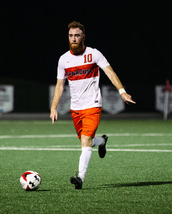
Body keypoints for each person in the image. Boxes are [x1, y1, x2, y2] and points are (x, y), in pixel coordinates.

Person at [50, 21, 136, 189]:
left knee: (86, 140)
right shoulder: (63, 60)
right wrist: (53, 107)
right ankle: (102, 142)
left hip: (92, 104)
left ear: (83, 37)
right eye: (70, 36)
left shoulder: (94, 54)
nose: (73, 39)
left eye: (76, 35)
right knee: (86, 140)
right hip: (75, 107)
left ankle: (80, 178)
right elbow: (60, 85)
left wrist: (122, 91)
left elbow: (110, 72)